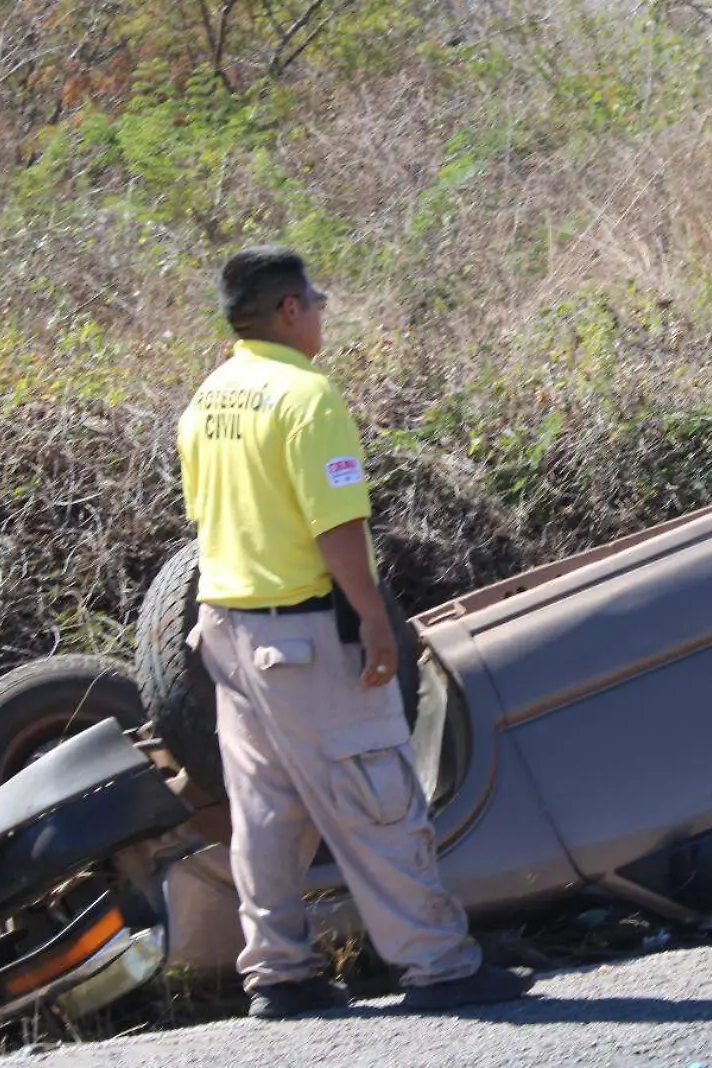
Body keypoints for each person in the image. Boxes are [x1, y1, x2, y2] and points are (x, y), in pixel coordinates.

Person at [176, 245, 533, 1020]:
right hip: (304, 634)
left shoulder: (210, 397)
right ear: (290, 311)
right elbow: (336, 522)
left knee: (267, 810)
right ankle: (437, 965)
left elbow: (206, 517)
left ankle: (279, 975)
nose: (322, 313)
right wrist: (374, 617)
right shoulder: (305, 396)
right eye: (315, 301)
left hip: (229, 633)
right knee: (376, 793)